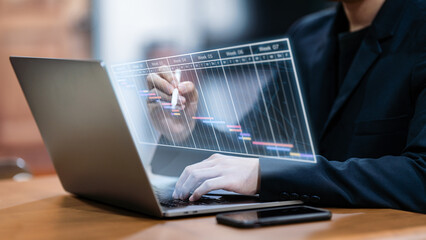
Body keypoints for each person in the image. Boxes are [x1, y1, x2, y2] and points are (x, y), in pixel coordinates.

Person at [146, 0, 426, 213]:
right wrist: (186, 131)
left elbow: (420, 176)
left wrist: (268, 174)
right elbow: (251, 149)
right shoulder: (307, 37)